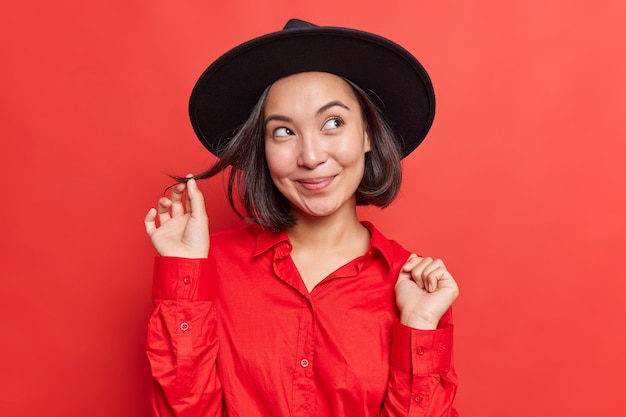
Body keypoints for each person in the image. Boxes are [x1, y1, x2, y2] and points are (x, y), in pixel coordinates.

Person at [144, 18, 459, 417]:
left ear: (367, 134)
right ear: (262, 148)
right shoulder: (208, 268)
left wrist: (417, 324)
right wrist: (185, 275)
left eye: (333, 123)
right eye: (283, 132)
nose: (310, 157)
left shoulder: (416, 288)